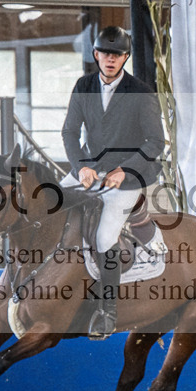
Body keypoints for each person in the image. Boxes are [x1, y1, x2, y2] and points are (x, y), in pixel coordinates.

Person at [60, 25, 165, 340]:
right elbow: (69, 133)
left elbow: (155, 142)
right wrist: (81, 166)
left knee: (105, 238)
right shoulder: (83, 86)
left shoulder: (141, 92)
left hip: (130, 175)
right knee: (51, 204)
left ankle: (107, 312)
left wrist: (125, 169)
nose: (110, 59)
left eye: (117, 54)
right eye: (105, 53)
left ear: (125, 57)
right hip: (91, 169)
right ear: (96, 54)